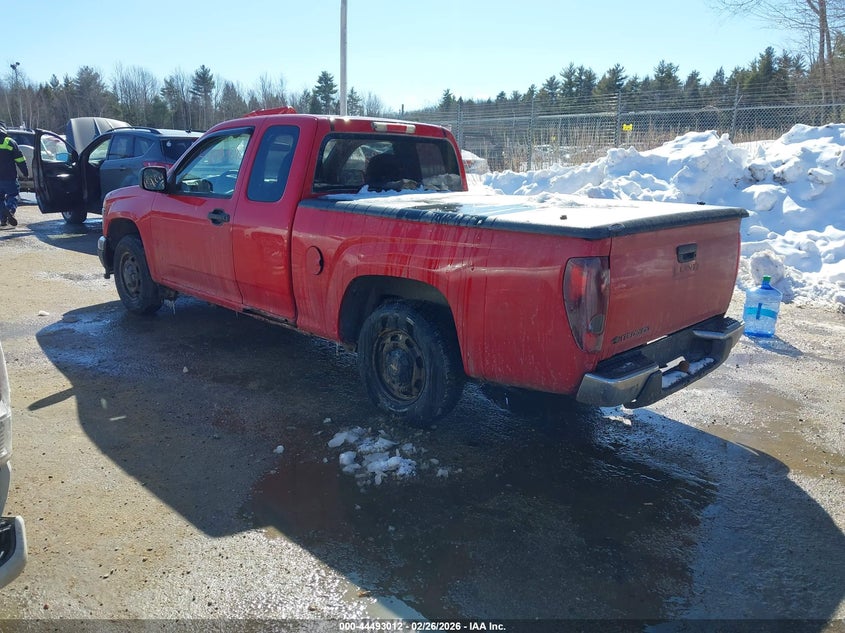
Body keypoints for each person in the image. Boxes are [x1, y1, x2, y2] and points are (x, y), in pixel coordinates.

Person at [0, 121, 29, 227]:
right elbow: (20, 159)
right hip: (9, 176)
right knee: (13, 194)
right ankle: (10, 210)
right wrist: (25, 172)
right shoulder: (10, 142)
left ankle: (3, 218)